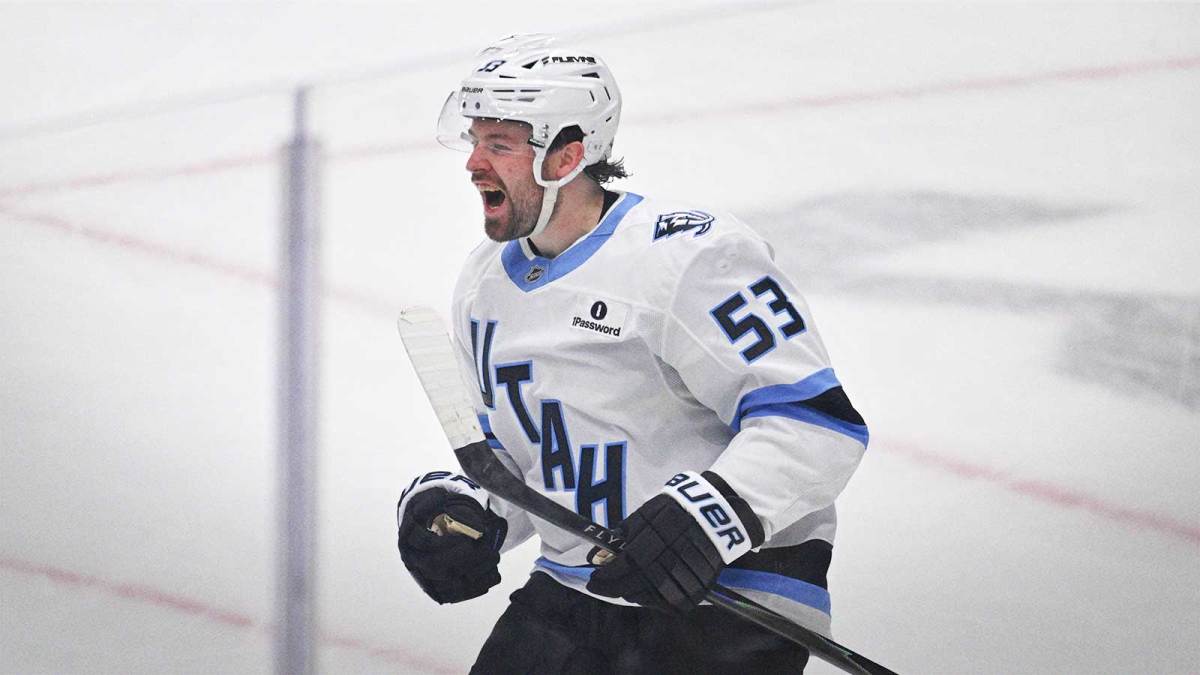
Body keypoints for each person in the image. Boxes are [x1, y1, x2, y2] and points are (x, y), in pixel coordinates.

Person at [396, 34, 868, 674]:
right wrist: (462, 512)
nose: (474, 163)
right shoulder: (485, 284)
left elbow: (817, 426)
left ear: (566, 157)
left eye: (499, 144)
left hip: (724, 603)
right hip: (570, 596)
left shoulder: (691, 259)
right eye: (475, 139)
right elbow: (518, 455)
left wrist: (706, 517)